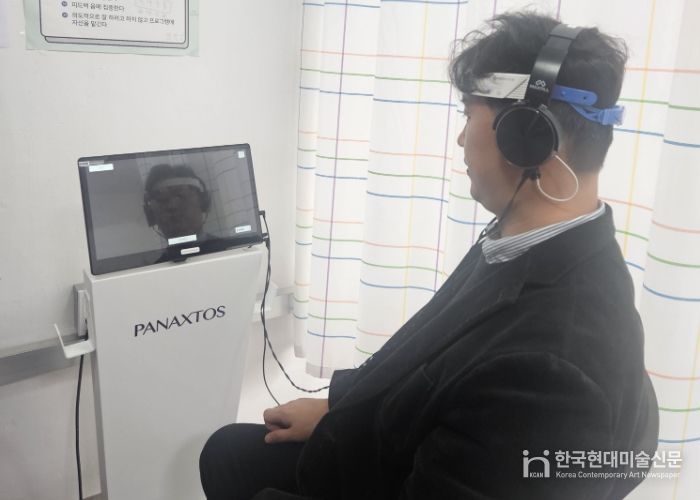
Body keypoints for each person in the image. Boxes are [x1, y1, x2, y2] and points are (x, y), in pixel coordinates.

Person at [199, 12, 659, 499]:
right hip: (407, 446)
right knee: (227, 451)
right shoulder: (533, 242)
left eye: (468, 114)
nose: (461, 138)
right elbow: (427, 354)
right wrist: (341, 407)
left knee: (236, 465)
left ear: (525, 135)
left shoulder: (551, 376)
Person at [143, 163, 212, 243]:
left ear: (203, 202)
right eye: (162, 199)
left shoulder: (225, 248)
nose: (172, 205)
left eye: (180, 195)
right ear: (151, 214)